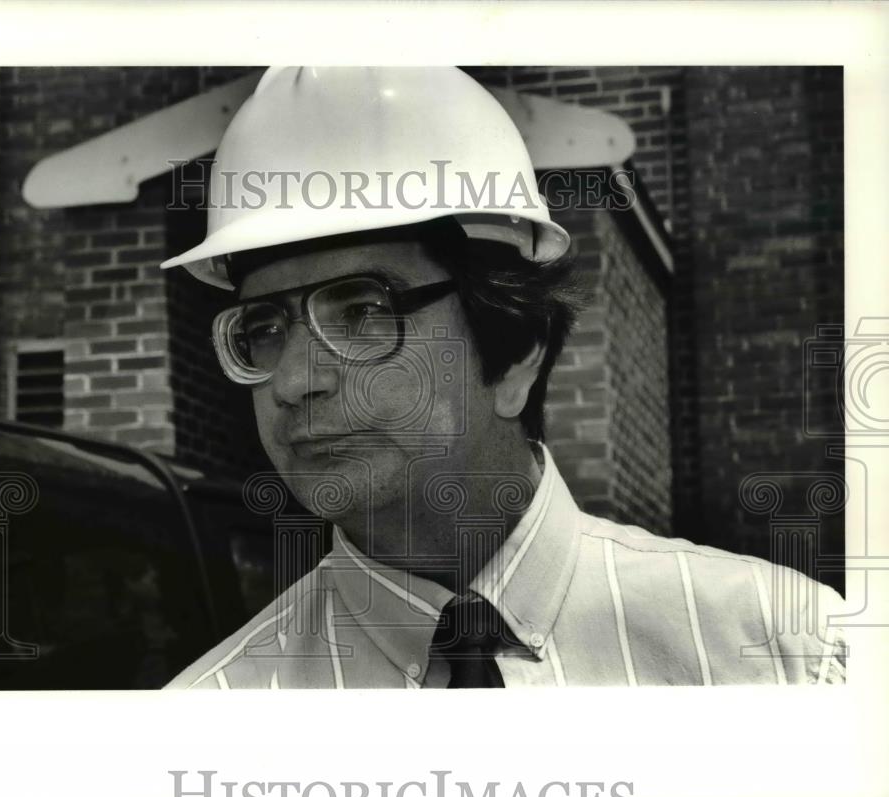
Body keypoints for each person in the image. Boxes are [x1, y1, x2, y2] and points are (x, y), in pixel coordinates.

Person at [161, 66, 846, 688]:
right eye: (265, 331)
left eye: (364, 312)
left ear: (517, 349)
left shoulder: (784, 655)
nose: (295, 381)